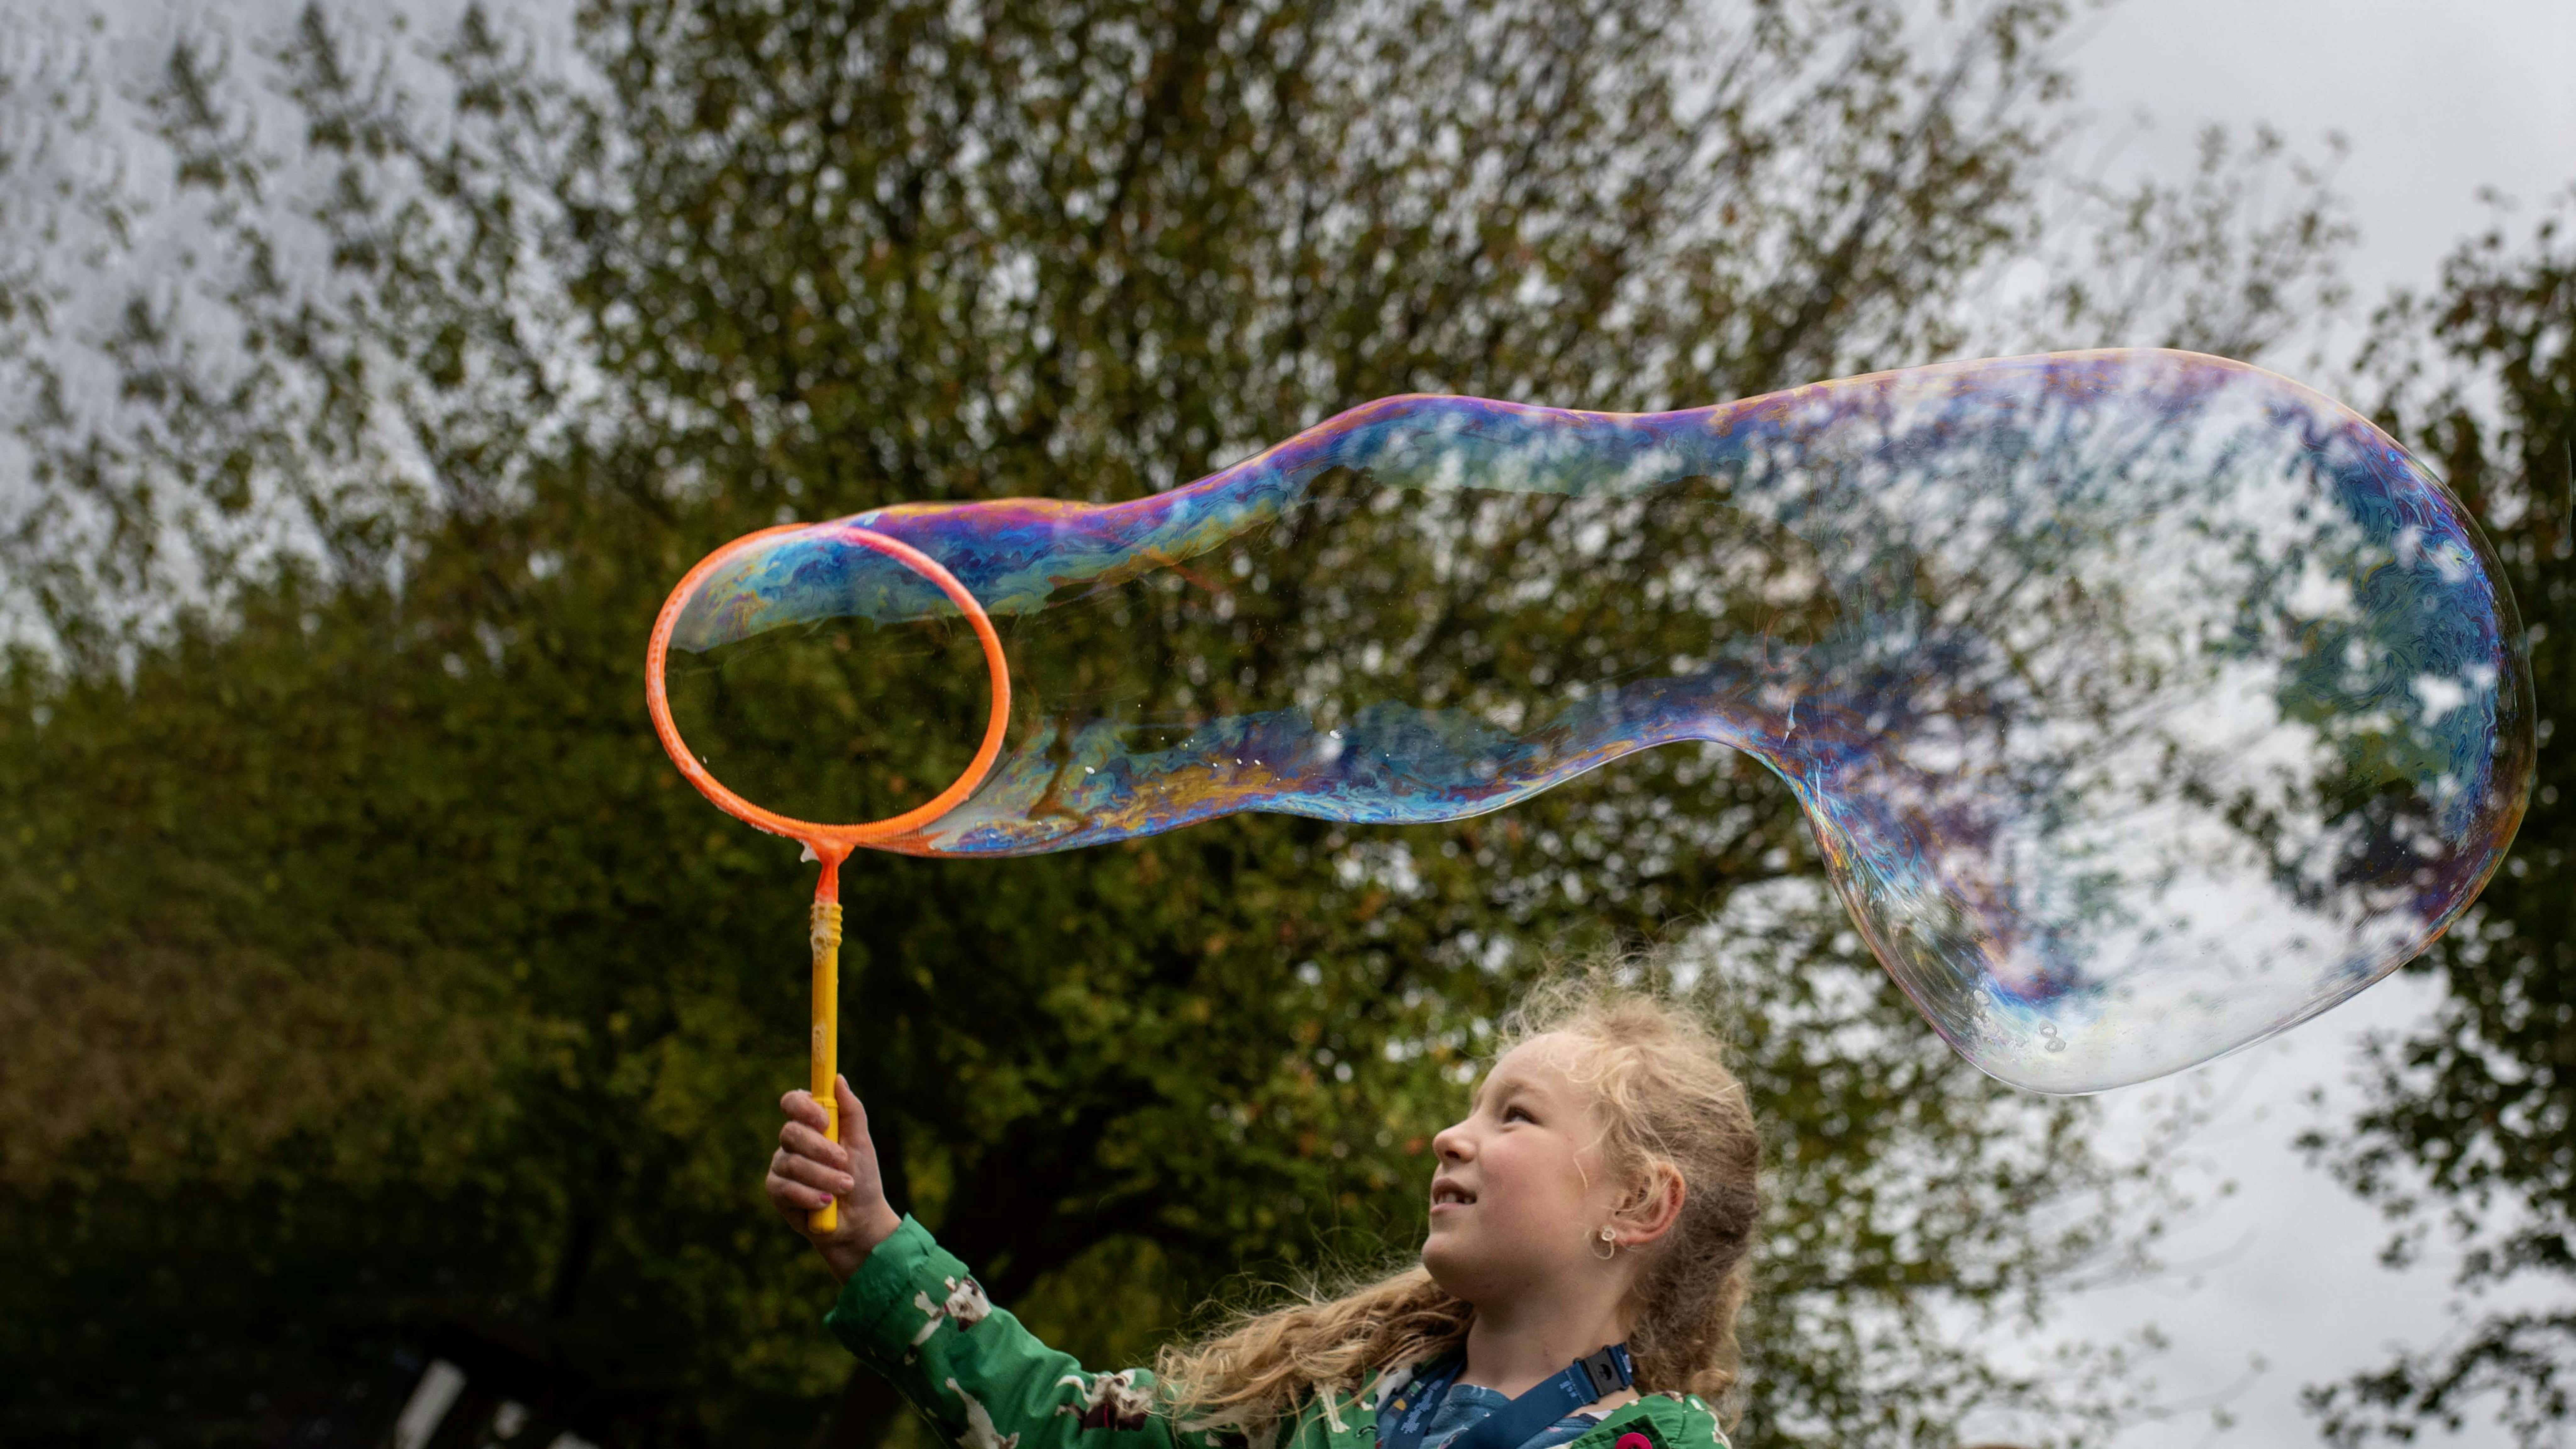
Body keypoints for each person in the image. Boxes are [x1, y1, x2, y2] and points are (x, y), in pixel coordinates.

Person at [763, 975, 1764, 1449]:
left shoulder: (1655, 1448)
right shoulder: (1326, 1401)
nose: (1451, 1138)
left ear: (1638, 1203)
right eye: (1468, 1108)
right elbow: (1064, 1427)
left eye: (1515, 1117)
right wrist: (877, 1242)